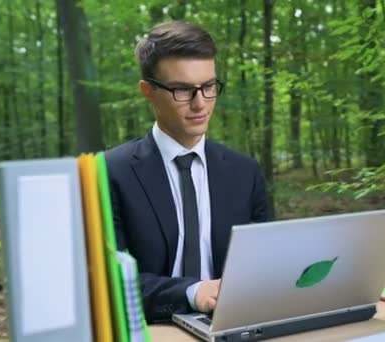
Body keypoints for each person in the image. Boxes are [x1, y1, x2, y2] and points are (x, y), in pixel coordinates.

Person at [106, 21, 272, 323]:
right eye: (182, 89)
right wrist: (192, 292)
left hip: (235, 324)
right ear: (148, 91)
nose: (200, 103)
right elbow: (109, 280)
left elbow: (268, 262)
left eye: (209, 86)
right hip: (151, 328)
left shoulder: (244, 171)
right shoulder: (111, 172)